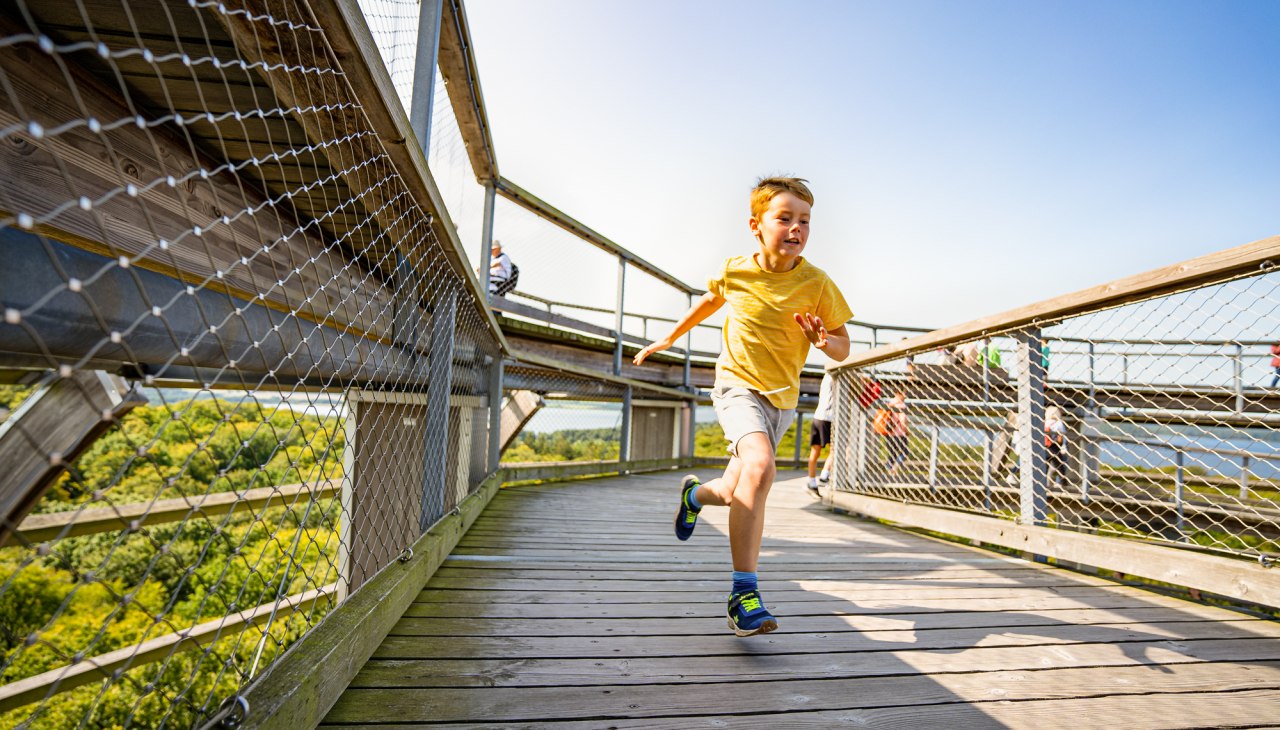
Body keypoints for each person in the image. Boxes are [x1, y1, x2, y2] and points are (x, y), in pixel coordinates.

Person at [632, 177, 852, 637]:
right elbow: (711, 300)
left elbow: (842, 349)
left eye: (805, 221)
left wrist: (822, 339)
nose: (797, 228)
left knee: (737, 490)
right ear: (756, 225)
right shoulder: (736, 269)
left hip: (781, 400)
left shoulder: (816, 283)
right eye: (785, 218)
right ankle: (743, 594)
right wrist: (669, 338)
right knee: (761, 466)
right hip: (736, 387)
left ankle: (693, 496)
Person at [807, 372, 835, 493]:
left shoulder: (826, 376)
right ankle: (825, 475)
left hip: (818, 416)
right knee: (836, 450)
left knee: (815, 451)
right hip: (830, 417)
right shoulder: (835, 376)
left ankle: (812, 481)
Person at [884, 392, 909, 476]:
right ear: (899, 394)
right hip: (900, 434)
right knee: (905, 452)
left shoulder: (890, 404)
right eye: (904, 393)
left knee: (892, 453)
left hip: (889, 433)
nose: (906, 395)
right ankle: (894, 468)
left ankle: (889, 468)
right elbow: (903, 421)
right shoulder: (902, 406)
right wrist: (906, 431)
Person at [1045, 405, 1067, 487]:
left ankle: (1043, 482)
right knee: (1060, 466)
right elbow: (1062, 436)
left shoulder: (1045, 422)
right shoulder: (1059, 423)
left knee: (1045, 466)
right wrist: (1063, 446)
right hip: (1055, 446)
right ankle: (1062, 482)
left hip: (1046, 446)